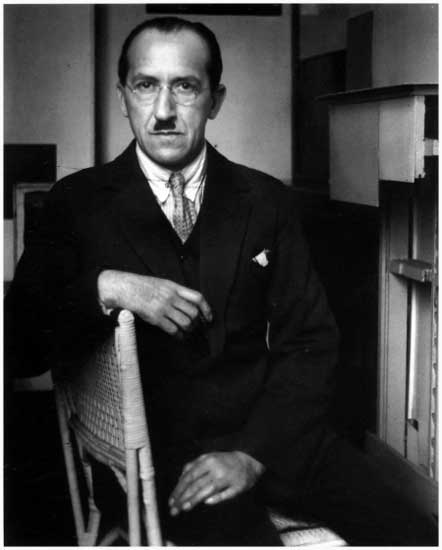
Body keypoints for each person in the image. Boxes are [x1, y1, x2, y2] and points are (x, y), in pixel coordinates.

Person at [6, 17, 437, 546]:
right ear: (123, 97)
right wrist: (107, 287)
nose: (164, 111)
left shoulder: (266, 200)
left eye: (185, 87)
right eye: (145, 85)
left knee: (414, 533)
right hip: (155, 461)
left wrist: (252, 453)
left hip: (272, 437)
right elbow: (19, 348)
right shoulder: (77, 202)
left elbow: (311, 341)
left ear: (215, 100)